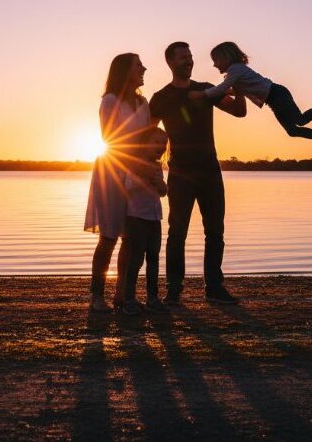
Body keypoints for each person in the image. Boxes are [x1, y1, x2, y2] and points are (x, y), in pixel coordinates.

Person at [149, 42, 247, 306]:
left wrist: (239, 85)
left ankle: (214, 287)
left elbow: (239, 111)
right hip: (180, 173)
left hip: (210, 171)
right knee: (176, 232)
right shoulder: (160, 97)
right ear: (170, 62)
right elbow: (146, 134)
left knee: (215, 231)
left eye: (190, 56)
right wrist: (152, 167)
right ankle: (173, 289)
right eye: (183, 57)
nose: (189, 61)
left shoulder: (206, 90)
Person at [189, 41, 312, 156]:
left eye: (216, 60)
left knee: (299, 120)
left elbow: (221, 89)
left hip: (276, 94)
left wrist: (201, 94)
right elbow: (230, 89)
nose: (214, 65)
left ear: (226, 58)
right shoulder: (235, 73)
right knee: (293, 129)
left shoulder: (235, 70)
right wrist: (222, 92)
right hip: (274, 99)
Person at [84, 53, 152, 313]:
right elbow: (111, 137)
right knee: (110, 236)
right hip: (112, 172)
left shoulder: (143, 102)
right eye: (138, 65)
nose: (144, 68)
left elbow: (145, 139)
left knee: (132, 238)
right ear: (125, 71)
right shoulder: (110, 101)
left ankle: (124, 296)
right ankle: (97, 296)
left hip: (137, 174)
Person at [119, 127, 169, 316]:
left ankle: (152, 298)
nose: (161, 146)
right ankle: (129, 299)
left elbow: (163, 192)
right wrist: (145, 178)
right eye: (156, 142)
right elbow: (128, 187)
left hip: (155, 218)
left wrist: (160, 183)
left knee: (154, 259)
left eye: (163, 143)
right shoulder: (134, 165)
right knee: (136, 259)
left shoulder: (157, 167)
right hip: (136, 218)